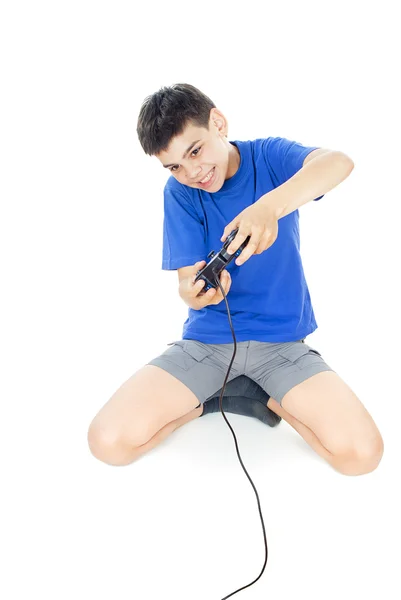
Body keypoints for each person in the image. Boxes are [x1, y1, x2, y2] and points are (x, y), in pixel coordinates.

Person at [87, 83, 384, 475]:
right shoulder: (180, 193)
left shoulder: (269, 157)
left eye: (195, 150)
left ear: (218, 123)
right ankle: (211, 399)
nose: (192, 171)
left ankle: (265, 398)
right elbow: (186, 282)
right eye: (174, 165)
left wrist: (268, 208)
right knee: (108, 442)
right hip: (207, 345)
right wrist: (196, 295)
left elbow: (339, 163)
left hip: (283, 347)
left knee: (361, 455)